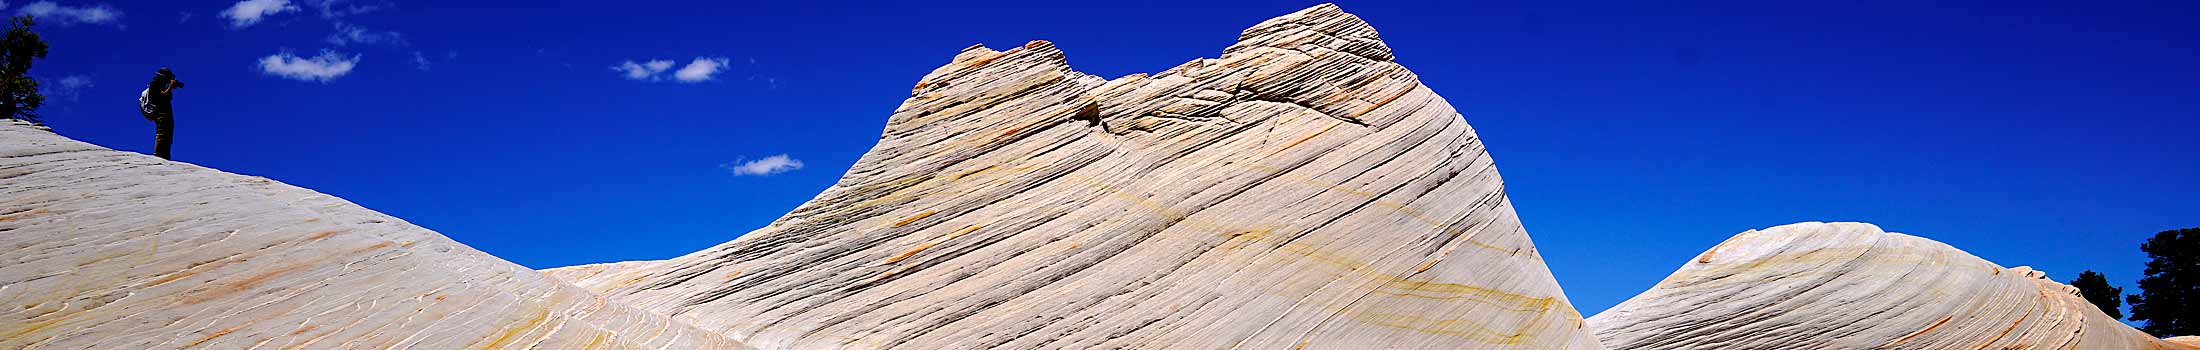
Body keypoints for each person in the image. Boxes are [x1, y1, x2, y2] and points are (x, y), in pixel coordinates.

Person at [139, 68, 183, 160]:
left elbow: (167, 97)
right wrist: (170, 86)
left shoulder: (161, 85)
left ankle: (165, 154)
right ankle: (158, 155)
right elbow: (162, 95)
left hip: (164, 114)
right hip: (160, 114)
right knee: (162, 134)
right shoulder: (154, 84)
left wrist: (170, 87)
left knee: (167, 134)